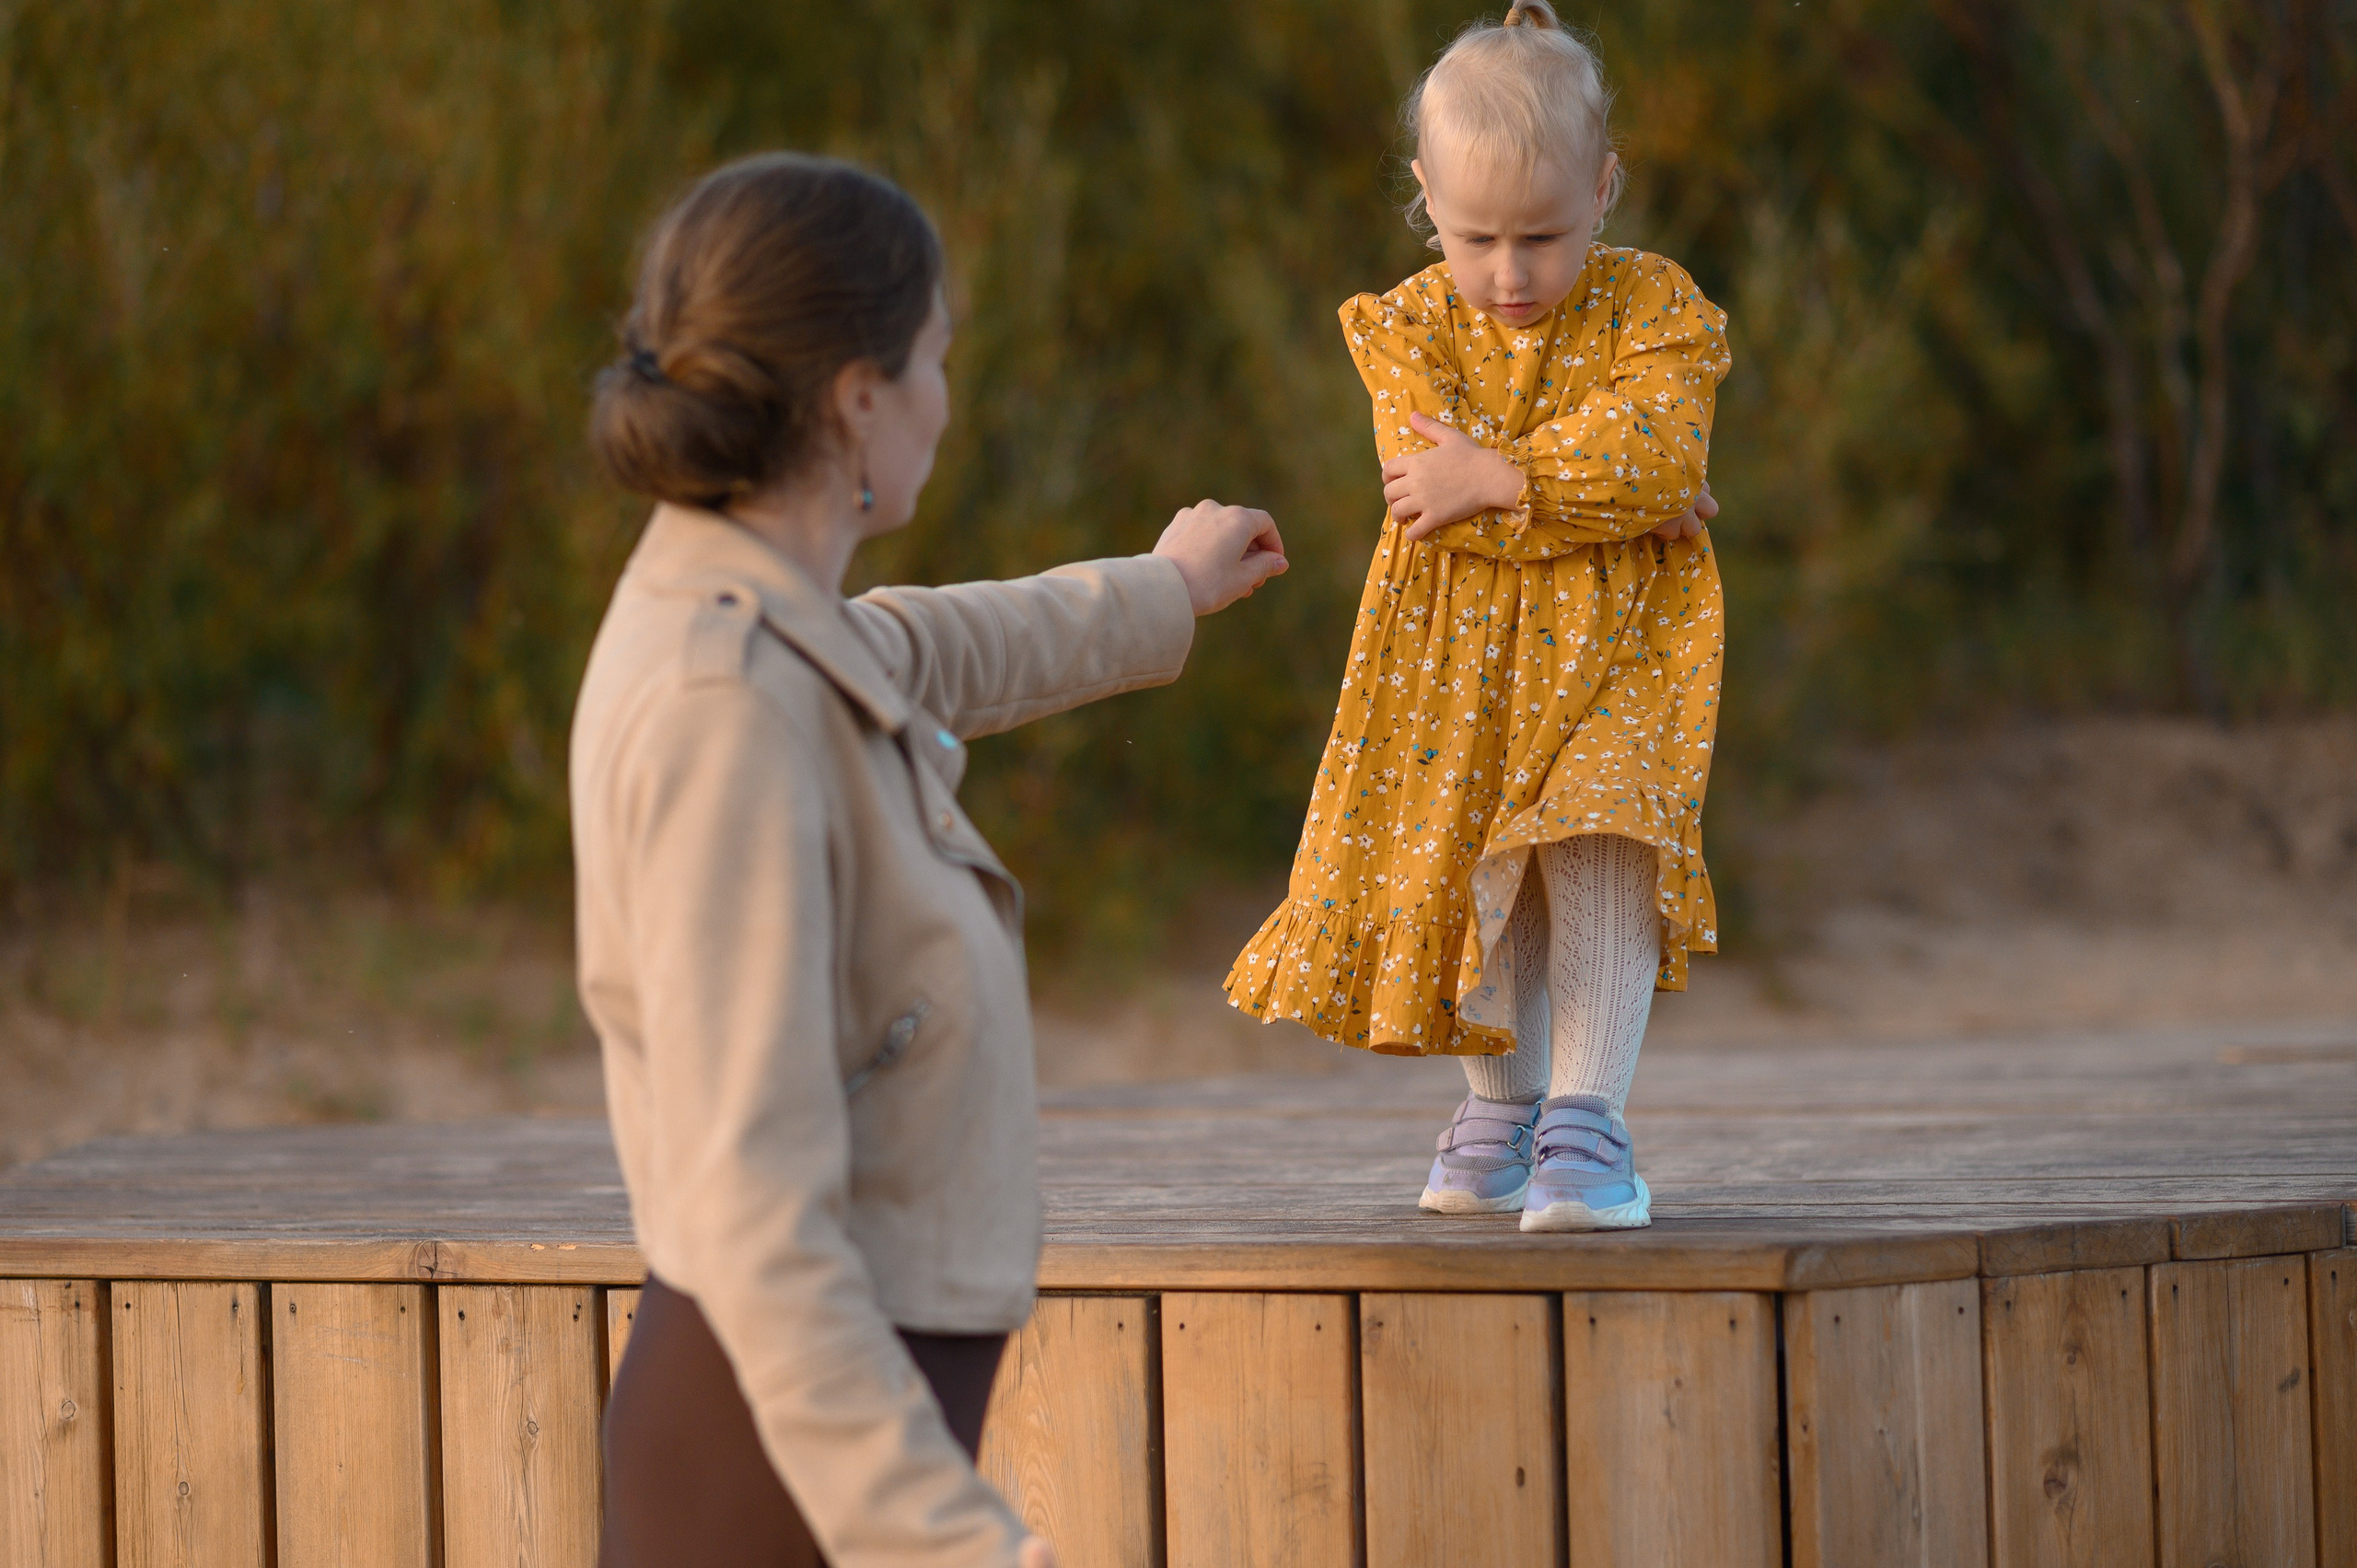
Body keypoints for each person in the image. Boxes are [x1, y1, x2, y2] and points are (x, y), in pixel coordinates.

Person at [573, 152, 1286, 1568]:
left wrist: (1167, 590)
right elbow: (753, 1214)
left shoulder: (762, 607)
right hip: (774, 1472)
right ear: (857, 398)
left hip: (811, 1448)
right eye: (937, 360)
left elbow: (928, 641)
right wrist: (953, 1545)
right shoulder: (725, 700)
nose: (947, 402)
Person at [1225, 1, 1730, 1233]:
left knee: (1602, 837)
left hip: (1626, 646)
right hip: (1460, 654)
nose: (1510, 274)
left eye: (1543, 236)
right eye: (1477, 237)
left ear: (1605, 190)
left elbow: (1658, 449)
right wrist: (1606, 484)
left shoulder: (1655, 308)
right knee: (1474, 850)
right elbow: (1424, 480)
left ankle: (1587, 1124)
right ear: (1424, 200)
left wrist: (1511, 477)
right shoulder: (1407, 327)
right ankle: (1502, 1107)